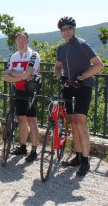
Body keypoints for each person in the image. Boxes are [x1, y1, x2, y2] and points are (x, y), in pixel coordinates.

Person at [55, 16, 104, 176]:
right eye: (63, 29)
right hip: (69, 87)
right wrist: (60, 77)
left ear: (74, 29)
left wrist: (81, 77)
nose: (66, 32)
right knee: (72, 121)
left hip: (83, 87)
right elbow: (57, 67)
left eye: (69, 28)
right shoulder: (61, 48)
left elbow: (99, 65)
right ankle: (77, 155)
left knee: (81, 122)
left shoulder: (82, 45)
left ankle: (85, 160)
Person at [4, 31, 41, 163]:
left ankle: (35, 151)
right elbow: (5, 77)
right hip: (18, 91)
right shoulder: (12, 56)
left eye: (23, 40)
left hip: (31, 92)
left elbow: (27, 75)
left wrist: (13, 74)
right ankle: (23, 147)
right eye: (18, 40)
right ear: (16, 41)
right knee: (21, 120)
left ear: (27, 41)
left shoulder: (34, 55)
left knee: (32, 121)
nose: (21, 42)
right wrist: (22, 75)